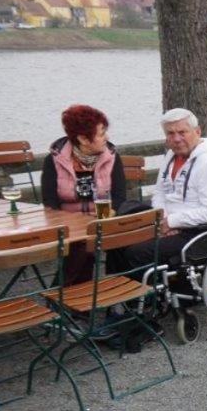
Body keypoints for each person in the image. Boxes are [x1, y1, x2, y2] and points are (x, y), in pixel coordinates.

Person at [120, 108, 207, 270]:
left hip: (206, 232)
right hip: (176, 224)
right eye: (170, 133)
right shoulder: (171, 155)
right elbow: (160, 193)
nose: (176, 139)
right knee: (119, 240)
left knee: (136, 252)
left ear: (197, 131)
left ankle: (148, 293)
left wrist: (172, 222)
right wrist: (163, 220)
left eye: (182, 132)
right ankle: (121, 291)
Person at [41, 104, 127, 282]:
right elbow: (50, 203)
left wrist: (110, 214)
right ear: (83, 139)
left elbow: (119, 197)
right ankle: (76, 299)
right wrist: (69, 224)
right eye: (101, 134)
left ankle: (65, 295)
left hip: (103, 220)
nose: (107, 137)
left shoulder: (111, 157)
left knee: (91, 242)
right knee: (83, 244)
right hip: (68, 225)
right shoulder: (54, 160)